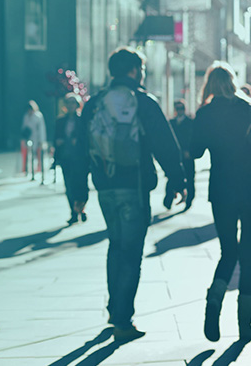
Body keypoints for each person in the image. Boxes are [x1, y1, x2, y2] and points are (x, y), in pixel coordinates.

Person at [74, 47, 187, 341]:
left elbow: (78, 149)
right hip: (134, 188)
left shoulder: (95, 103)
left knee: (115, 246)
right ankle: (123, 319)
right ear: (135, 71)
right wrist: (176, 179)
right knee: (131, 253)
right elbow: (165, 144)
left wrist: (77, 191)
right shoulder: (144, 103)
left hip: (105, 186)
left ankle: (115, 309)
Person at [191, 62, 251, 343]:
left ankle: (213, 303)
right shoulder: (250, 109)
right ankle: (245, 325)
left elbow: (194, 152)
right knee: (248, 256)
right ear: (232, 82)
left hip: (221, 191)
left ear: (209, 85)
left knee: (227, 252)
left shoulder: (205, 113)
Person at [53, 93, 88, 225]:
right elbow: (55, 138)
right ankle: (73, 212)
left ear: (77, 105)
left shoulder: (82, 120)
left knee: (81, 185)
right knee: (69, 186)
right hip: (66, 157)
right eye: (68, 103)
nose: (71, 106)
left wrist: (77, 141)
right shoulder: (60, 121)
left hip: (80, 159)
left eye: (73, 103)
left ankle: (81, 208)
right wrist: (58, 144)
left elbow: (86, 138)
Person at [165, 99, 196, 209]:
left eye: (181, 108)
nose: (180, 111)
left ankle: (189, 201)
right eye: (177, 109)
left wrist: (190, 151)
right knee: (172, 176)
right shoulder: (171, 123)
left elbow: (194, 138)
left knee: (190, 178)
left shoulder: (190, 122)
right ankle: (168, 200)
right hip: (174, 154)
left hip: (187, 154)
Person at [20, 100, 46, 174]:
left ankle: (39, 169)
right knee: (28, 154)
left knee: (38, 154)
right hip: (29, 138)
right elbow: (24, 127)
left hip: (37, 138)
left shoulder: (38, 116)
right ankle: (27, 169)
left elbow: (41, 129)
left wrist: (41, 140)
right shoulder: (26, 116)